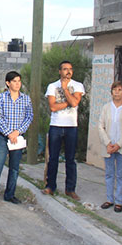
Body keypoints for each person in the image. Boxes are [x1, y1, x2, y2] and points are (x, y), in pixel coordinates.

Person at [0, 71, 33, 205]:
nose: (18, 84)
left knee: (14, 168)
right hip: (3, 138)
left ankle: (10, 194)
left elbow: (29, 117)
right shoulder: (1, 98)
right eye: (15, 81)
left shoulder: (26, 99)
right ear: (8, 83)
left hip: (18, 138)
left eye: (19, 81)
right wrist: (9, 133)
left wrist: (17, 132)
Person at [42, 60, 85, 200]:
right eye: (65, 69)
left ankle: (70, 189)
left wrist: (65, 89)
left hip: (71, 127)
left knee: (70, 159)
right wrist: (69, 102)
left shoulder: (78, 86)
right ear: (60, 71)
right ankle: (50, 186)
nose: (68, 71)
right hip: (56, 125)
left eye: (70, 69)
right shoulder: (52, 86)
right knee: (53, 158)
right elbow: (53, 107)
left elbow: (74, 103)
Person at [97, 81, 122, 213]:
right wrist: (108, 143)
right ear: (111, 92)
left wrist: (119, 144)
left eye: (120, 90)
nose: (117, 92)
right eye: (115, 89)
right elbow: (100, 126)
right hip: (108, 146)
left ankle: (119, 201)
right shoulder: (106, 107)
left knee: (120, 175)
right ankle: (109, 199)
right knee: (109, 174)